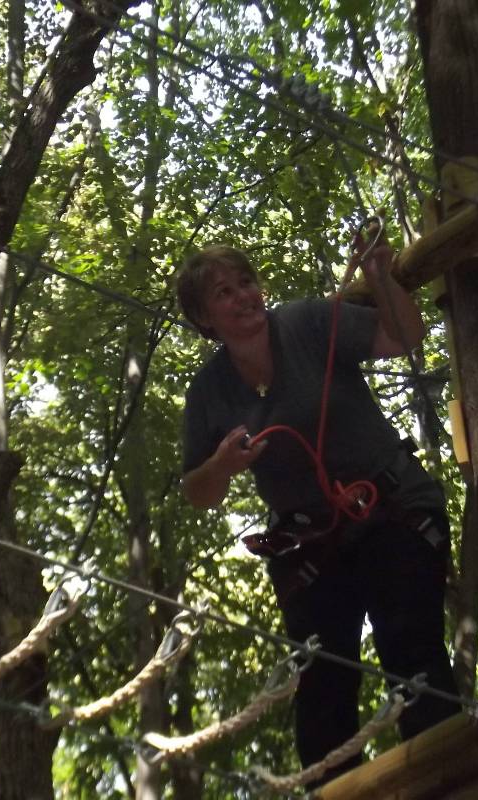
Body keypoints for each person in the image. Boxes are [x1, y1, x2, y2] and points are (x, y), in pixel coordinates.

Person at [177, 239, 461, 785]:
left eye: (246, 283)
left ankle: (449, 784)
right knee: (321, 686)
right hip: (312, 546)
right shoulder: (210, 390)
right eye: (224, 292)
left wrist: (381, 277)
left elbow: (403, 337)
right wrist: (221, 464)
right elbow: (197, 490)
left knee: (411, 652)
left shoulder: (306, 322)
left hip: (392, 511)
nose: (243, 297)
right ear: (203, 317)